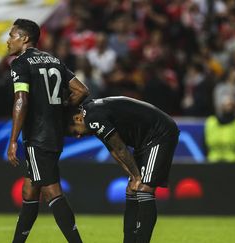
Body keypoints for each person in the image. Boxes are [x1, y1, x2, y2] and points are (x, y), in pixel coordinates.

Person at [6, 19, 89, 243]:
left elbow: (21, 99)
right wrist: (61, 109)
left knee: (52, 192)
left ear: (24, 39)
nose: (8, 40)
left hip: (37, 136)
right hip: (54, 133)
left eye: (12, 35)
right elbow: (81, 90)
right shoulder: (53, 59)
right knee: (29, 191)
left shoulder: (21, 63)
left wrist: (13, 139)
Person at [67, 96, 180, 243]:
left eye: (75, 131)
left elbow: (120, 148)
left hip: (160, 133)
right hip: (144, 141)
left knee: (145, 188)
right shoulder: (91, 113)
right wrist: (133, 176)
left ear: (78, 118)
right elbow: (114, 150)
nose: (78, 136)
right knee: (131, 188)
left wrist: (137, 177)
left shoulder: (94, 118)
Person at [203, 95, 235, 163]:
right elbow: (204, 145)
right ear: (221, 106)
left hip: (234, 163)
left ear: (234, 107)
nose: (228, 107)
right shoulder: (210, 122)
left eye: (230, 105)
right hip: (213, 163)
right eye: (225, 104)